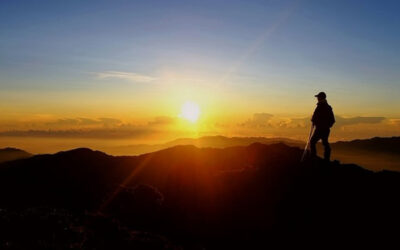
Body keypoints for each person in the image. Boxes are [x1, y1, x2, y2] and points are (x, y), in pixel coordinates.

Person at [310, 92, 335, 162]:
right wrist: (327, 126)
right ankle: (326, 159)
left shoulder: (321, 106)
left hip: (320, 129)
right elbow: (332, 120)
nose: (317, 98)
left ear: (320, 98)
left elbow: (316, 117)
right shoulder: (327, 107)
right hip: (325, 129)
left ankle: (313, 157)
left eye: (318, 97)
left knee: (312, 142)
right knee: (325, 142)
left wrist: (316, 122)